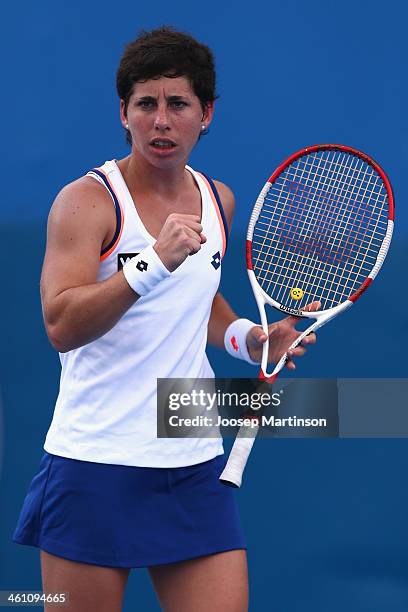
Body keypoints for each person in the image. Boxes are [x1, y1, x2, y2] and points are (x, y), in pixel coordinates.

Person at [13, 26, 317, 611]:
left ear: (206, 114)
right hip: (93, 465)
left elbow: (198, 303)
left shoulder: (218, 199)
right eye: (145, 104)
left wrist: (250, 339)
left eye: (177, 104)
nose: (161, 121)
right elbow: (61, 324)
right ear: (123, 113)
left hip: (191, 464)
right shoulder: (86, 201)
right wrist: (150, 264)